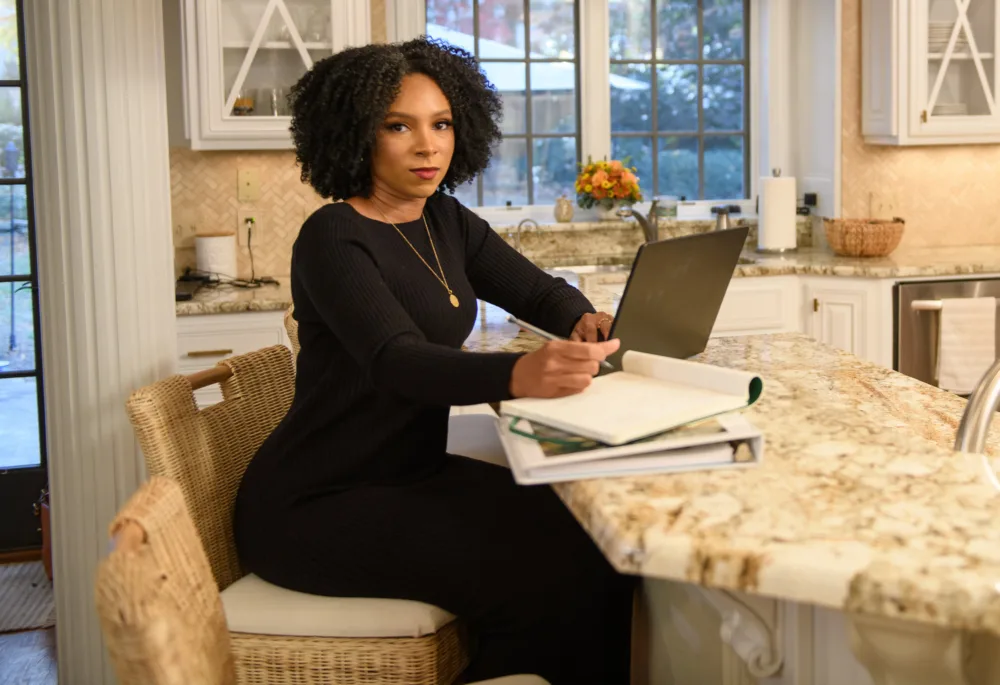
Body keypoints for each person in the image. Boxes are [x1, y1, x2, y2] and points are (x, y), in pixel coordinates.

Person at [233, 37, 634, 684]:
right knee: (545, 586)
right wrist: (516, 374)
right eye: (400, 126)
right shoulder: (333, 237)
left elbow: (535, 289)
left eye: (441, 124)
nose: (428, 145)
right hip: (319, 502)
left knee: (598, 538)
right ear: (356, 134)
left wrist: (579, 316)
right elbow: (396, 360)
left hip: (411, 473)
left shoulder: (444, 218)